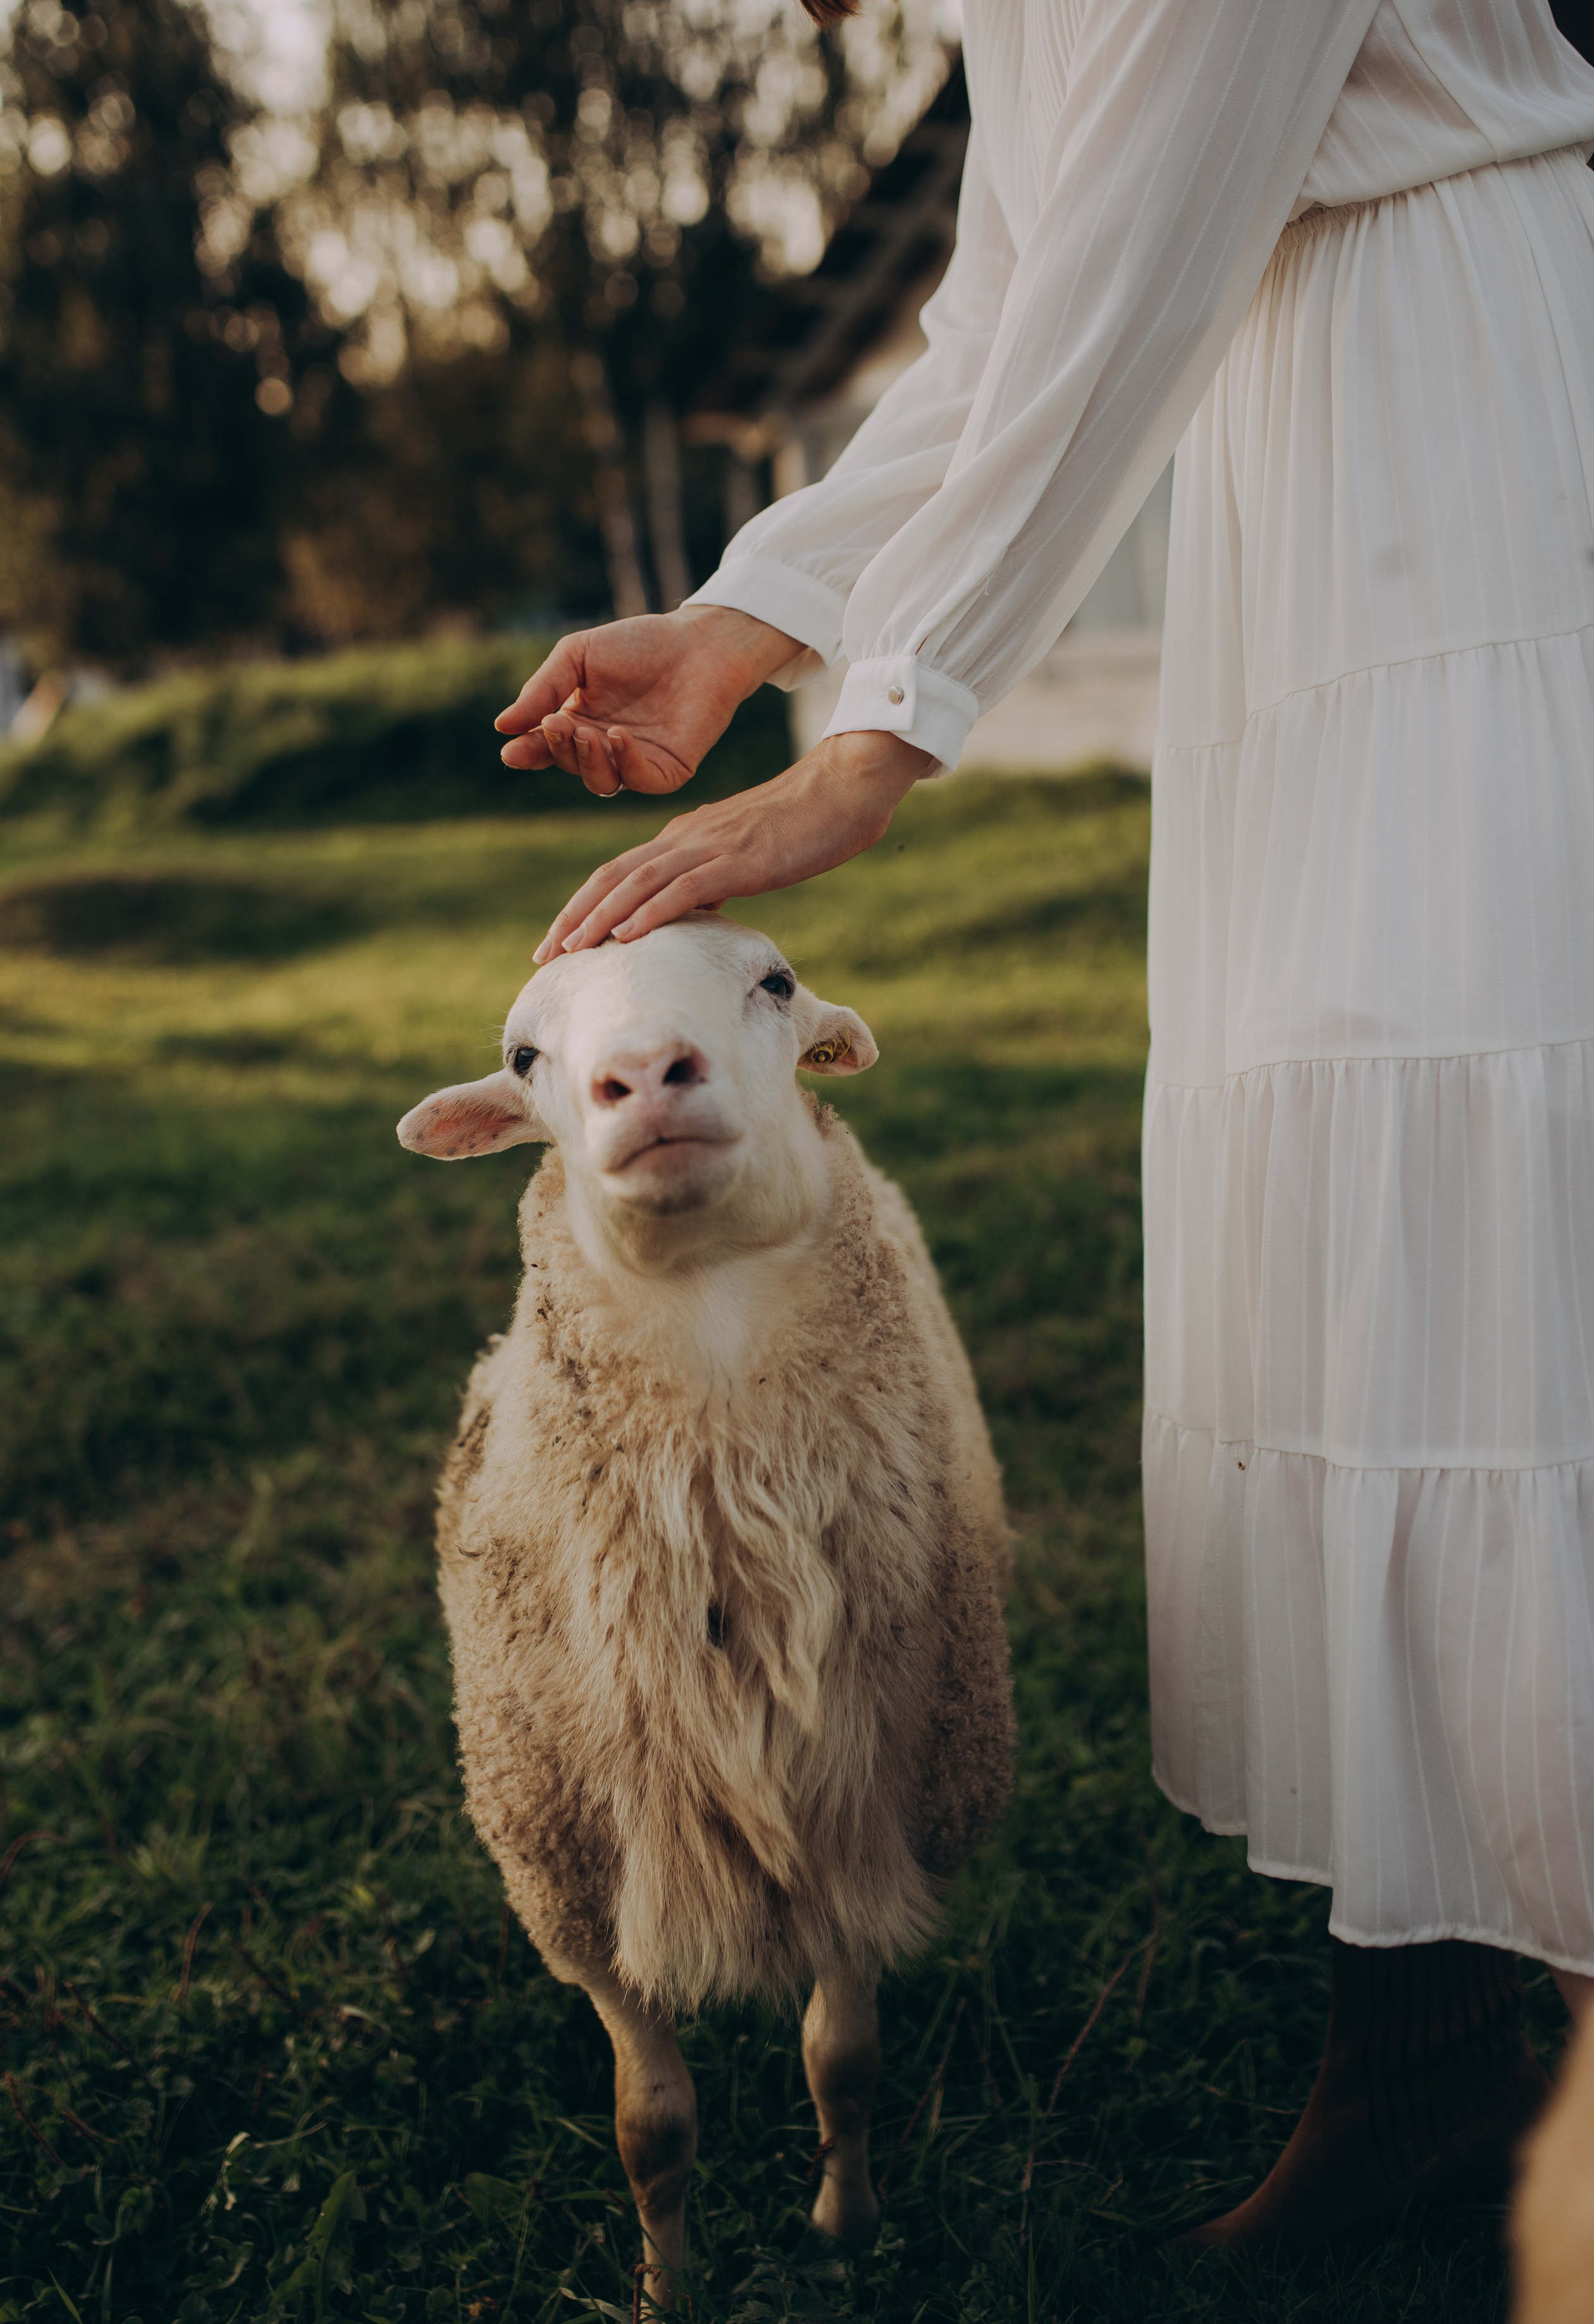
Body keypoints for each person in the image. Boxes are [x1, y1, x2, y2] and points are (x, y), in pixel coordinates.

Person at [495, 0, 1594, 2251]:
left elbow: (1141, 256)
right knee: (1365, 1213)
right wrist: (750, 616)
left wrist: (873, 739)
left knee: (1512, 1190)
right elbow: (1019, 287)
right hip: (1304, 464)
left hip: (1475, 425)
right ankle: (1439, 2039)